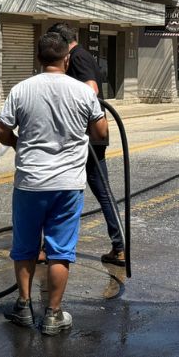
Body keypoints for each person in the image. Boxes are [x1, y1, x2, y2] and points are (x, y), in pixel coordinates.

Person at [0, 32, 108, 334]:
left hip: (31, 181)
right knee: (60, 251)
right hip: (68, 184)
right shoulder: (83, 92)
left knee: (25, 247)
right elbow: (101, 133)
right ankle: (53, 315)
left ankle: (23, 306)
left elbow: (0, 130)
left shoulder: (22, 90)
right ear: (66, 59)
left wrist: (18, 143)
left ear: (38, 58)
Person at [47, 22, 125, 266]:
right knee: (97, 190)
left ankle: (49, 247)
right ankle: (119, 246)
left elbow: (90, 90)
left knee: (59, 188)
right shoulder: (83, 55)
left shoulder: (77, 57)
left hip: (86, 137)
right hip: (91, 135)